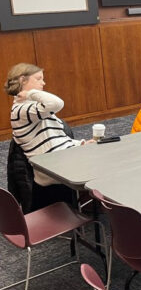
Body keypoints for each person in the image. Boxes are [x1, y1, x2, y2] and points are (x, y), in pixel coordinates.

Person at [5, 63, 92, 210]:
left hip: (61, 157)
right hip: (51, 167)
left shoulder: (34, 107)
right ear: (22, 80)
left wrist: (80, 144)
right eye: (39, 79)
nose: (43, 83)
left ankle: (98, 204)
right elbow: (57, 103)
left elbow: (56, 139)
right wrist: (30, 93)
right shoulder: (22, 110)